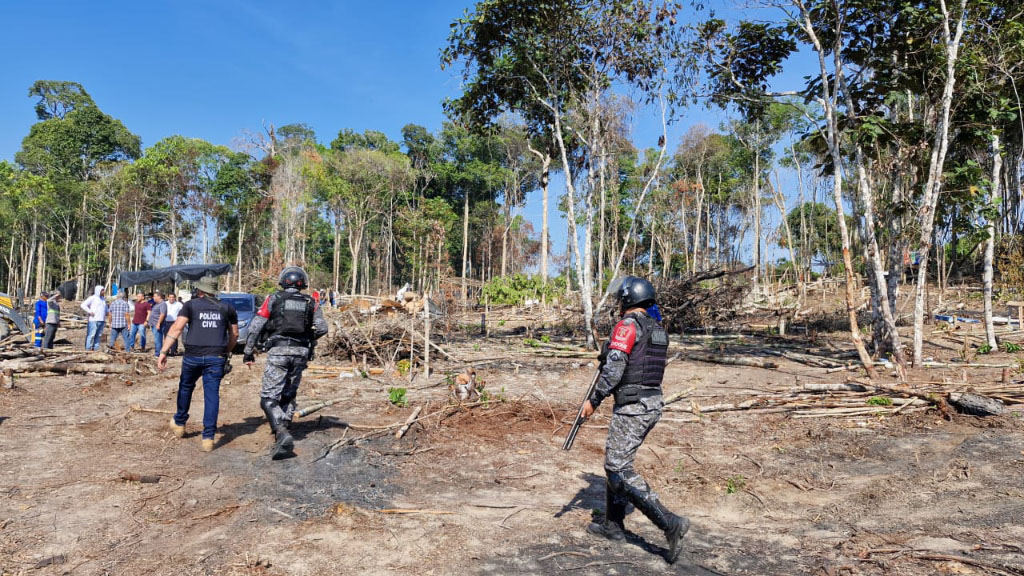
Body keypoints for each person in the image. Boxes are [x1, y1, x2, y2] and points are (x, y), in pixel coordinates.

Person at [580, 276, 688, 564]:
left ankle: (670, 523)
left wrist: (593, 401)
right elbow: (639, 361)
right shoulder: (657, 328)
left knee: (617, 468)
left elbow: (614, 372)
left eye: (620, 299)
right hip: (652, 403)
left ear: (628, 299)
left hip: (633, 407)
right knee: (616, 464)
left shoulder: (627, 325)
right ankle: (613, 526)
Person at [243, 266, 328, 459]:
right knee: (289, 393)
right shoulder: (311, 302)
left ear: (283, 281)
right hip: (301, 352)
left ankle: (281, 433)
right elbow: (323, 328)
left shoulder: (274, 298)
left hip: (278, 351)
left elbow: (256, 326)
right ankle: (285, 429)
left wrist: (249, 351)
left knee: (268, 397)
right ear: (302, 283)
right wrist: (308, 337)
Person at [158, 277, 238, 453]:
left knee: (186, 387)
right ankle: (208, 437)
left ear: (200, 291)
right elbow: (234, 335)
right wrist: (226, 351)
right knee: (211, 394)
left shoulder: (191, 305)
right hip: (216, 356)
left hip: (192, 355)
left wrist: (163, 352)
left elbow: (176, 329)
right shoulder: (227, 308)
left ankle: (179, 423)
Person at [81, 285, 108, 351]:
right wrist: (90, 311)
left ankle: (96, 348)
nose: (103, 292)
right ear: (98, 291)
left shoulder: (103, 299)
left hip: (101, 320)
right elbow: (83, 305)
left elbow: (106, 308)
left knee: (98, 335)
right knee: (91, 335)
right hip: (93, 320)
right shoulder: (92, 298)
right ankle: (88, 348)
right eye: (102, 290)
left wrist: (107, 312)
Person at [149, 292, 167, 358]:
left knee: (158, 339)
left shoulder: (163, 304)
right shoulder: (157, 304)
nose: (153, 297)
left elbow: (162, 314)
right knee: (157, 339)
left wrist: (158, 323)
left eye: (154, 296)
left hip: (158, 325)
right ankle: (158, 352)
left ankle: (158, 354)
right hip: (154, 324)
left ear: (159, 297)